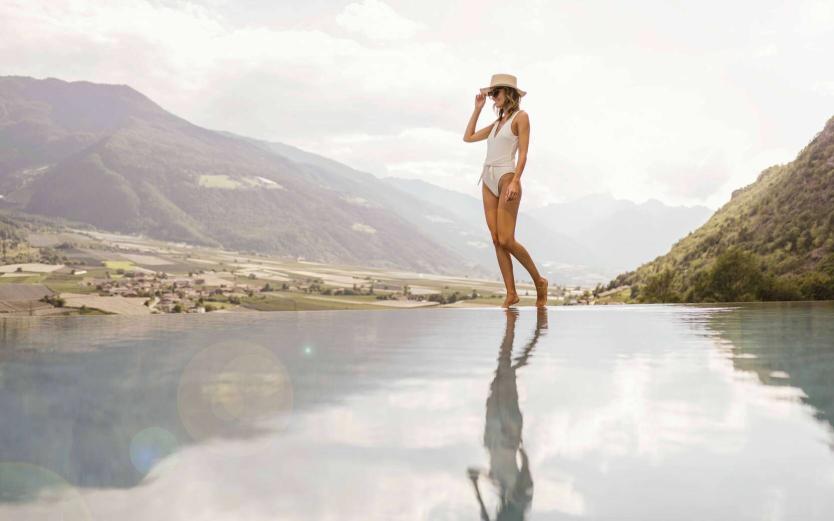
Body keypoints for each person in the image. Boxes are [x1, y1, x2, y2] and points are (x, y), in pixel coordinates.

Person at [463, 73, 549, 308]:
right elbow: (467, 137)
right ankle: (511, 293)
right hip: (487, 177)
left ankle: (539, 282)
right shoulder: (496, 124)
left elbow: (523, 153)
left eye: (495, 93)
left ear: (509, 93)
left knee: (507, 239)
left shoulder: (521, 118)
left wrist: (516, 180)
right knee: (495, 239)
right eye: (491, 94)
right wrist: (477, 108)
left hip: (506, 176)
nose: (493, 97)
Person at [467, 307, 548, 520]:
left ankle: (530, 334)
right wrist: (518, 443)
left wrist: (476, 483)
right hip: (507, 432)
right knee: (505, 368)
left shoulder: (505, 499)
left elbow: (486, 511)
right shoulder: (521, 500)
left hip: (493, 437)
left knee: (501, 374)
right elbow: (527, 473)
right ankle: (526, 329)